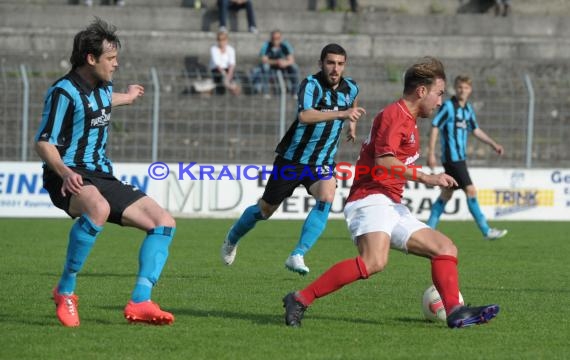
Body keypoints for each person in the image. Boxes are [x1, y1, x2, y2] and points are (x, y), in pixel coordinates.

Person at [282, 57, 500, 329]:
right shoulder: (394, 115)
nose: (441, 101)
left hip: (391, 204)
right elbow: (384, 162)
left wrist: (428, 176)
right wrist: (426, 177)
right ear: (422, 91)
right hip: (369, 198)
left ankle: (455, 311)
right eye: (439, 93)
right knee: (373, 261)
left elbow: (396, 164)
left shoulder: (408, 121)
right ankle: (299, 298)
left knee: (445, 248)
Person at [35, 19, 176, 327]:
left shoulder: (104, 87)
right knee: (97, 208)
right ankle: (66, 290)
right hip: (66, 173)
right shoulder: (62, 92)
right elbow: (43, 142)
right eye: (111, 59)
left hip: (102, 174)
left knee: (163, 222)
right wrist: (64, 171)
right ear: (90, 58)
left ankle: (140, 300)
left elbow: (101, 103)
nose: (117, 64)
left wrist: (126, 96)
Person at [221, 43, 366, 275]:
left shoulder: (351, 88)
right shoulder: (310, 85)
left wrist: (352, 124)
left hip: (322, 162)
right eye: (330, 63)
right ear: (321, 64)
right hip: (292, 160)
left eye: (340, 64)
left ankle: (297, 254)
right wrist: (342, 114)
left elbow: (353, 103)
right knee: (265, 210)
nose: (335, 68)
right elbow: (305, 115)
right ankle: (232, 237)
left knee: (327, 196)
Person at [426, 75, 507, 240]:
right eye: (460, 87)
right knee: (470, 190)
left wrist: (493, 144)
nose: (463, 91)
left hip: (459, 159)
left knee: (446, 194)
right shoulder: (448, 106)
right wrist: (431, 153)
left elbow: (475, 130)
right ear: (455, 89)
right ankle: (486, 230)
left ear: (470, 90)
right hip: (452, 159)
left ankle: (427, 230)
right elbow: (435, 126)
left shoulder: (468, 109)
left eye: (466, 88)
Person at [258, 30, 300, 97]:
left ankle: (295, 92)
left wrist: (285, 63)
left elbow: (291, 60)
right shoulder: (267, 45)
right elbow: (264, 60)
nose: (275, 40)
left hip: (284, 66)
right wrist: (277, 62)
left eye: (277, 38)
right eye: (274, 38)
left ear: (280, 38)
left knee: (294, 67)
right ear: (271, 38)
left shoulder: (285, 45)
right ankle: (266, 92)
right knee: (265, 67)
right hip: (271, 66)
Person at [209, 31, 241, 96]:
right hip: (216, 69)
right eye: (220, 40)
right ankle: (232, 88)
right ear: (217, 40)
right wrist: (225, 75)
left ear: (227, 40)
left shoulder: (231, 49)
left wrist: (229, 74)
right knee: (223, 81)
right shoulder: (213, 49)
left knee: (232, 79)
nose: (222, 42)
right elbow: (217, 64)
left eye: (224, 40)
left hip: (228, 69)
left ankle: (233, 90)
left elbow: (232, 64)